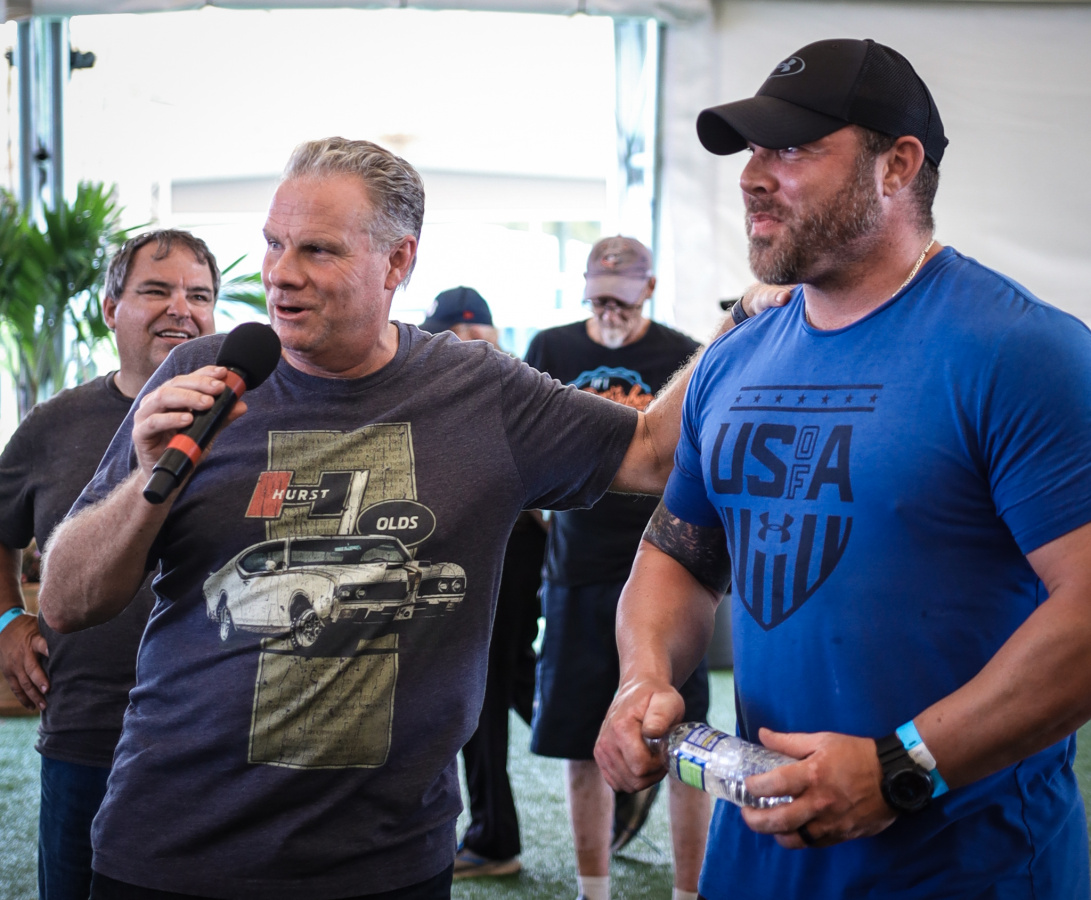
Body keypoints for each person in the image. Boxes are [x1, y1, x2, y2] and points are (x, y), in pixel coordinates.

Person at [36, 137, 707, 900]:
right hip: (172, 850)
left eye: (317, 250)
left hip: (388, 864)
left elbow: (652, 451)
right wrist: (145, 480)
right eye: (273, 243)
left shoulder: (477, 392)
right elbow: (67, 601)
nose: (280, 273)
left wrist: (745, 322)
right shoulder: (204, 374)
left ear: (396, 263)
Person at [594, 37, 1091, 900]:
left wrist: (903, 766)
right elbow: (678, 555)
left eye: (791, 149)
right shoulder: (733, 360)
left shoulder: (1019, 350)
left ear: (897, 165)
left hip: (967, 871)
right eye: (751, 151)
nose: (753, 177)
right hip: (756, 858)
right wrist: (644, 676)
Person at [0, 229, 219, 900]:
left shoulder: (251, 419)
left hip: (217, 737)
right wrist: (7, 618)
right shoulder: (54, 425)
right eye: (156, 290)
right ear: (109, 309)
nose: (181, 309)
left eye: (199, 295)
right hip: (88, 730)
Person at [523, 236, 710, 900]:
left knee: (684, 740)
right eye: (598, 298)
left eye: (621, 299)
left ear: (648, 289)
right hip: (577, 571)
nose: (608, 311)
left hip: (670, 570)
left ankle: (688, 892)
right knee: (580, 738)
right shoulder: (550, 348)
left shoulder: (682, 354)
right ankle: (592, 890)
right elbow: (526, 453)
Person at [420, 286, 548, 878]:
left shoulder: (474, 384)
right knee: (515, 675)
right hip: (514, 546)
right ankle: (610, 768)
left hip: (499, 547)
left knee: (482, 687)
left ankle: (494, 838)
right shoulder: (497, 380)